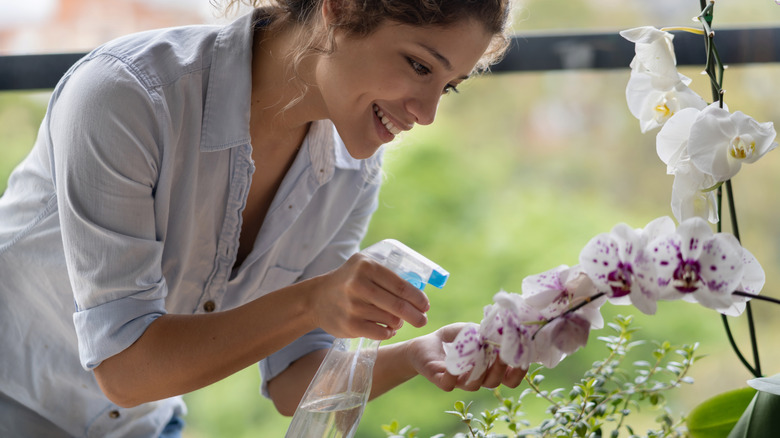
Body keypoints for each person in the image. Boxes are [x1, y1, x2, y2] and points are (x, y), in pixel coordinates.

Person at [0, 0, 526, 436]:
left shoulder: (350, 170)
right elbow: (127, 367)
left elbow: (295, 382)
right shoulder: (128, 96)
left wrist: (413, 356)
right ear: (339, 10)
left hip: (142, 426)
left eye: (449, 84)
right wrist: (313, 300)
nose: (429, 111)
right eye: (418, 66)